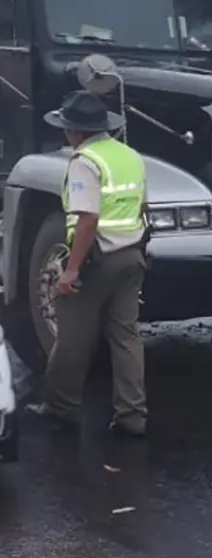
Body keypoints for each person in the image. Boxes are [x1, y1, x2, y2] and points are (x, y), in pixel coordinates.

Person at [25, 91, 149, 437]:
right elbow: (141, 208)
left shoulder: (85, 162)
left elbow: (88, 218)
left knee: (73, 334)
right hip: (132, 255)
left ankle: (60, 407)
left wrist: (72, 269)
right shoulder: (131, 157)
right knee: (126, 336)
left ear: (75, 131)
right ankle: (132, 415)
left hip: (97, 259)